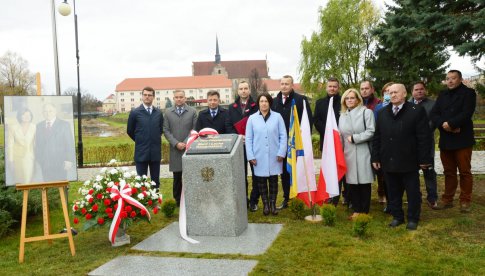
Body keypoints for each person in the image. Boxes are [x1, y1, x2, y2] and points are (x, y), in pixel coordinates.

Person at [372, 83, 432, 230]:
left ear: (405, 94)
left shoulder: (416, 111)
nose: (392, 95)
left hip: (409, 160)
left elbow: (424, 137)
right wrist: (376, 157)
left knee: (412, 192)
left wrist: (424, 159)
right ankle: (397, 216)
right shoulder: (382, 113)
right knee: (392, 191)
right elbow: (377, 137)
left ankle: (413, 218)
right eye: (390, 93)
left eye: (396, 92)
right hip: (388, 160)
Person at [430, 70, 476, 213]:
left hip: (462, 138)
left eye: (453, 78)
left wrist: (452, 124)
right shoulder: (442, 95)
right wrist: (445, 125)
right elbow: (434, 114)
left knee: (464, 171)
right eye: (447, 78)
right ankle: (447, 199)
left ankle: (465, 201)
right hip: (446, 138)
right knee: (448, 172)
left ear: (460, 79)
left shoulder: (468, 93)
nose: (450, 81)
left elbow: (467, 113)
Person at [271, 75, 312, 210]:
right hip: (281, 143)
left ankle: (299, 196)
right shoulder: (274, 101)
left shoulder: (300, 100)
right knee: (284, 171)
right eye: (282, 84)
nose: (284, 86)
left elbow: (308, 121)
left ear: (292, 85)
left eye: (286, 84)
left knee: (298, 170)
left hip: (296, 143)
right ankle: (287, 198)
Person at [246, 92, 287, 216]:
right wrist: (250, 155)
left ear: (270, 103)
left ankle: (273, 205)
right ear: (258, 103)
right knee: (261, 181)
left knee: (274, 180)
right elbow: (248, 139)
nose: (264, 103)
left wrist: (281, 152)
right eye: (261, 101)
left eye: (266, 101)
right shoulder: (252, 118)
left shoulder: (277, 117)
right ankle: (266, 205)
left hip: (275, 155)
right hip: (258, 156)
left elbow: (283, 135)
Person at [338, 89, 375, 219]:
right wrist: (339, 153)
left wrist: (355, 138)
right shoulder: (342, 115)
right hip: (347, 153)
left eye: (352, 98)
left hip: (363, 151)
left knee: (364, 182)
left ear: (358, 99)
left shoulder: (366, 112)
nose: (349, 100)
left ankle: (364, 212)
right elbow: (341, 136)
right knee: (352, 183)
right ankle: (356, 210)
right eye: (347, 98)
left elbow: (371, 131)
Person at [227, 81, 260, 211]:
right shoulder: (231, 107)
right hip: (238, 145)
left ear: (249, 90)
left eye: (246, 88)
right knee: (241, 174)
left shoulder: (256, 106)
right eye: (241, 89)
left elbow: (260, 124)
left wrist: (250, 137)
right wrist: (239, 137)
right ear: (238, 91)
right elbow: (228, 125)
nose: (243, 91)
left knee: (256, 174)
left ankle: (254, 200)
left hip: (254, 144)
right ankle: (243, 199)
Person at [163, 90, 197, 206]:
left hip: (189, 148)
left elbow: (194, 128)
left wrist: (186, 142)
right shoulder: (168, 113)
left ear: (185, 98)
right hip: (175, 149)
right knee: (177, 177)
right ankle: (177, 200)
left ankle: (191, 198)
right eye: (176, 97)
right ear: (174, 98)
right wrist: (176, 143)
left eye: (181, 97)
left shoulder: (192, 112)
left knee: (191, 175)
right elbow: (166, 130)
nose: (179, 99)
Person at [313, 77, 344, 205]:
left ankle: (342, 196)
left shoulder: (344, 102)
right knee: (328, 169)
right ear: (326, 88)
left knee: (341, 169)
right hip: (326, 142)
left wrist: (336, 135)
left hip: (341, 142)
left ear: (338, 88)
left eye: (334, 86)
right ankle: (329, 195)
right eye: (330, 86)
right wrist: (327, 133)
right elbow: (316, 120)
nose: (332, 88)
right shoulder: (320, 103)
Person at [409, 81, 439, 209]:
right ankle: (416, 197)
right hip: (410, 144)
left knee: (429, 172)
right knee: (412, 173)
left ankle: (432, 198)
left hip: (426, 144)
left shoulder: (433, 104)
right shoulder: (407, 104)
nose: (419, 91)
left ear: (425, 90)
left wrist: (422, 131)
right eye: (416, 89)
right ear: (412, 92)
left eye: (421, 89)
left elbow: (434, 122)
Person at [127, 86, 163, 189]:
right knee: (141, 182)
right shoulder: (135, 112)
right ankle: (143, 204)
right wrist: (140, 140)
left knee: (155, 181)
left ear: (153, 97)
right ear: (142, 96)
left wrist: (152, 139)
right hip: (141, 152)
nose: (147, 97)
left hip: (155, 152)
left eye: (150, 95)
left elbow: (160, 130)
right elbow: (130, 131)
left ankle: (155, 203)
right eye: (145, 95)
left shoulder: (158, 113)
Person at [35, 103, 76, 182]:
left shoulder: (64, 125)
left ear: (55, 111)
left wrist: (69, 160)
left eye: (50, 111)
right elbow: (38, 145)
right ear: (43, 113)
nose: (48, 113)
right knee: (47, 186)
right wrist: (39, 160)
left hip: (61, 162)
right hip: (45, 163)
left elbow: (69, 144)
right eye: (45, 111)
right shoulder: (39, 126)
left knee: (61, 186)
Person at [374, 82, 394, 209]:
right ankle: (389, 202)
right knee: (385, 177)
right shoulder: (378, 108)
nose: (388, 93)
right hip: (384, 146)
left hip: (398, 146)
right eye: (386, 91)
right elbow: (376, 129)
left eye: (391, 91)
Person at [7, 109, 36, 184]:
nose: (27, 116)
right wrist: (10, 160)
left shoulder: (34, 127)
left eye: (29, 115)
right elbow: (10, 145)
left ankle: (28, 194)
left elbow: (36, 143)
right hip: (17, 158)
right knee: (19, 180)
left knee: (28, 180)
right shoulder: (13, 128)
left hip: (30, 157)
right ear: (20, 116)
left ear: (31, 116)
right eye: (24, 114)